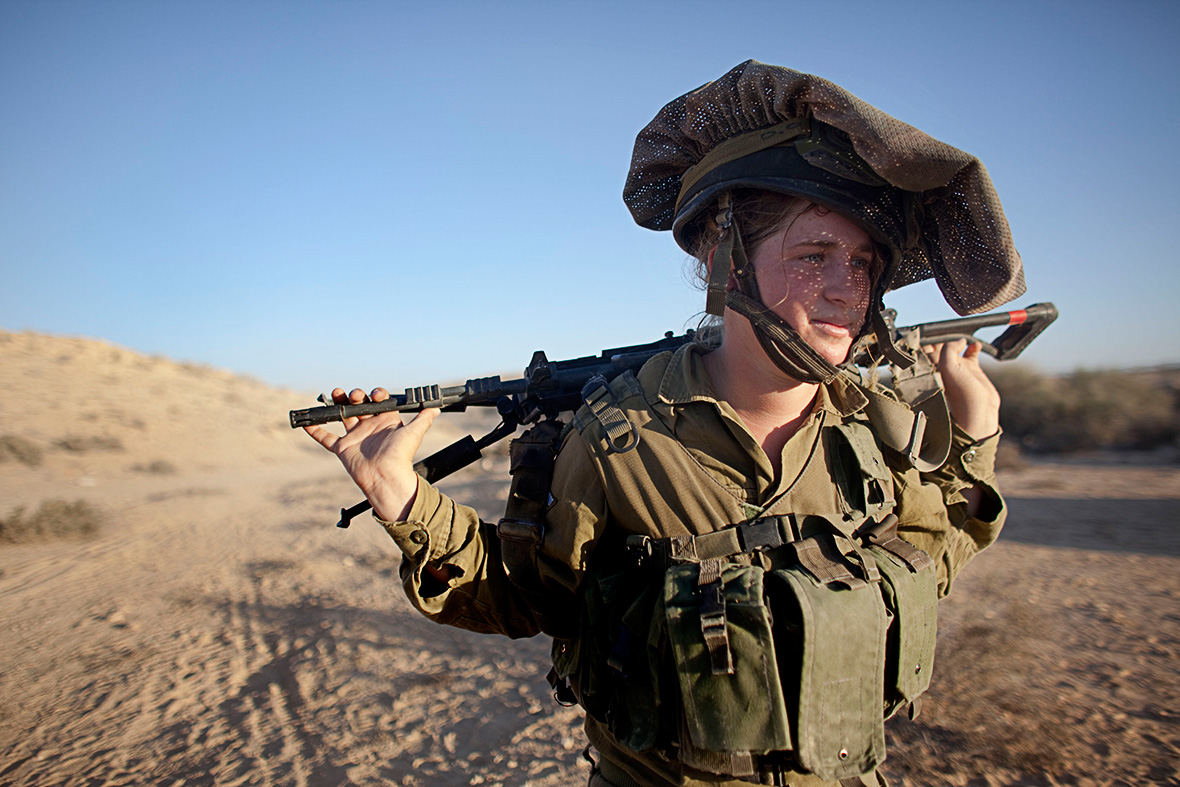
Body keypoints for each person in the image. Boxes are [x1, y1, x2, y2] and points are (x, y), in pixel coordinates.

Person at [303, 61, 1022, 787]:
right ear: (724, 259)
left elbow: (931, 563)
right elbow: (532, 595)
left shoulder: (878, 431)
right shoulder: (622, 437)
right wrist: (402, 495)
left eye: (864, 262)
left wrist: (978, 432)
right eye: (813, 256)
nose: (847, 289)